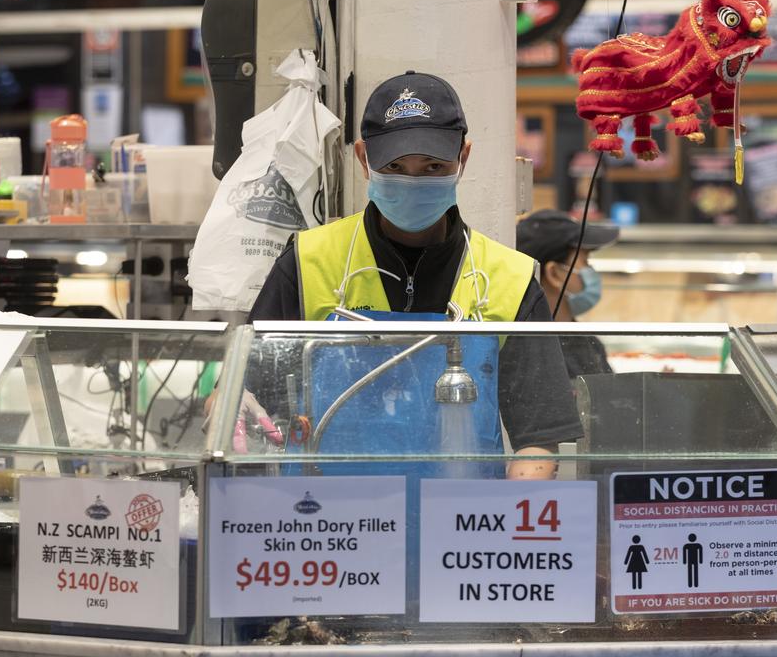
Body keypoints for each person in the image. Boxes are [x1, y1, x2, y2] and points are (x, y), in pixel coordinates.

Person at [247, 71, 583, 479]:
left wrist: (508, 524)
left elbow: (538, 436)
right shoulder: (307, 262)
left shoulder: (508, 279)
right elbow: (250, 394)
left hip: (462, 526)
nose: (412, 181)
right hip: (331, 526)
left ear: (464, 157)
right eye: (395, 166)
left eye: (432, 167)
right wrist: (234, 408)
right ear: (363, 159)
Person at [516, 209, 618, 377]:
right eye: (585, 261)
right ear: (554, 274)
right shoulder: (532, 356)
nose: (591, 270)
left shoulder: (586, 341)